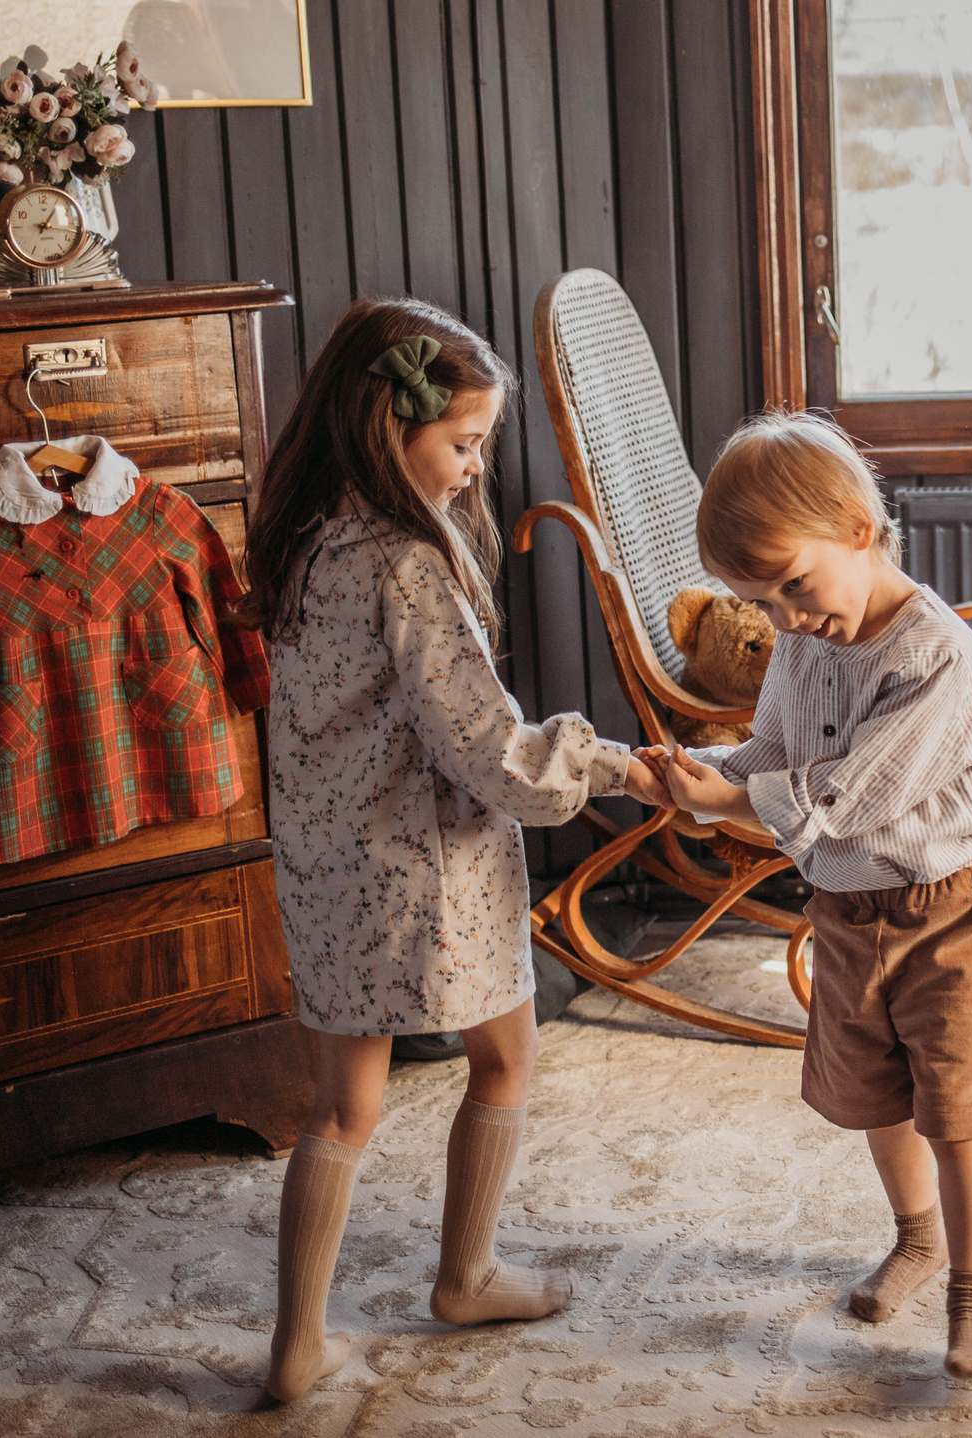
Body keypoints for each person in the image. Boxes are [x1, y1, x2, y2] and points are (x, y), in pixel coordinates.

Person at [237, 298, 677, 1402]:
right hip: (428, 869)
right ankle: (468, 1272)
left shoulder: (301, 539)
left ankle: (296, 1342)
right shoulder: (410, 567)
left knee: (341, 1107)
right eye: (466, 442)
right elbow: (495, 755)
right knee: (507, 1056)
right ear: (392, 424)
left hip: (327, 866)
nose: (478, 470)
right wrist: (617, 766)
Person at [641, 411, 972, 1379]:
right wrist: (701, 776)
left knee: (957, 1106)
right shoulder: (803, 639)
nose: (783, 619)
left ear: (859, 529)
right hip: (847, 911)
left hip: (947, 910)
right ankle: (916, 1234)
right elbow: (773, 750)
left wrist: (734, 799)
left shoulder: (934, 655)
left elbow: (856, 792)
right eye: (759, 602)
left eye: (793, 587)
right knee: (875, 1096)